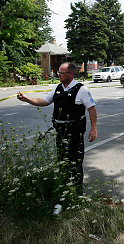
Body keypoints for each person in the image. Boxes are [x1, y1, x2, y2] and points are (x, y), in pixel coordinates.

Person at [17, 63, 97, 193]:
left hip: (75, 131)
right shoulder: (58, 88)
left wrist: (94, 128)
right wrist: (27, 99)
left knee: (75, 161)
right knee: (62, 160)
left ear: (71, 74)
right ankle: (64, 189)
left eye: (61, 73)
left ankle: (77, 192)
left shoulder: (81, 89)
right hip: (60, 130)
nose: (58, 75)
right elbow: (44, 101)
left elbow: (91, 108)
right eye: (58, 73)